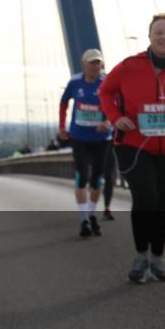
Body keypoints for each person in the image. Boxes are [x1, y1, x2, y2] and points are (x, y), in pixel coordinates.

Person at [99, 14, 165, 284]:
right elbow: (105, 92)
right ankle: (141, 257)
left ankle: (158, 259)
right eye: (159, 32)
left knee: (162, 204)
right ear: (150, 35)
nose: (164, 37)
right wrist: (115, 117)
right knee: (146, 199)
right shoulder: (130, 66)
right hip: (134, 145)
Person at [58, 48, 112, 238]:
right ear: (84, 64)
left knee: (97, 179)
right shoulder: (75, 82)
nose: (96, 66)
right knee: (82, 175)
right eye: (92, 62)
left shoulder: (106, 82)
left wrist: (108, 122)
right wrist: (62, 127)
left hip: (101, 139)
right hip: (79, 137)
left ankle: (91, 213)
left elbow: (118, 106)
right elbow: (63, 102)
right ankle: (84, 220)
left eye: (98, 62)